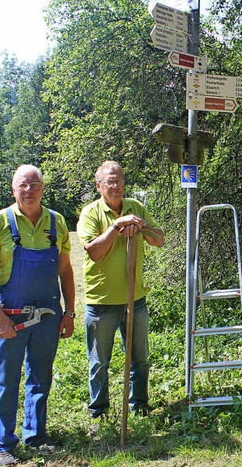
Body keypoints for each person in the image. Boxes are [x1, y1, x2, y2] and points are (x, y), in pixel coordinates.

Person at [0, 165, 75, 466]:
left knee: (40, 376)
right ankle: (3, 444)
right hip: (12, 315)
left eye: (35, 184)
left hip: (48, 314)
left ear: (42, 188)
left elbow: (66, 271)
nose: (29, 190)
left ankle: (36, 437)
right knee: (6, 379)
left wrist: (69, 312)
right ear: (13, 189)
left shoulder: (56, 223)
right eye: (23, 185)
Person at [77, 160, 164, 420]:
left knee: (140, 359)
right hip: (101, 302)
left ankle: (139, 406)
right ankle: (99, 412)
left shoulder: (135, 207)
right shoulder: (91, 213)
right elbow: (94, 251)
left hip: (134, 299)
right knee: (99, 363)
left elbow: (158, 240)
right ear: (99, 186)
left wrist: (142, 226)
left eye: (119, 180)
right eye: (110, 181)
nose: (116, 186)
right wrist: (116, 227)